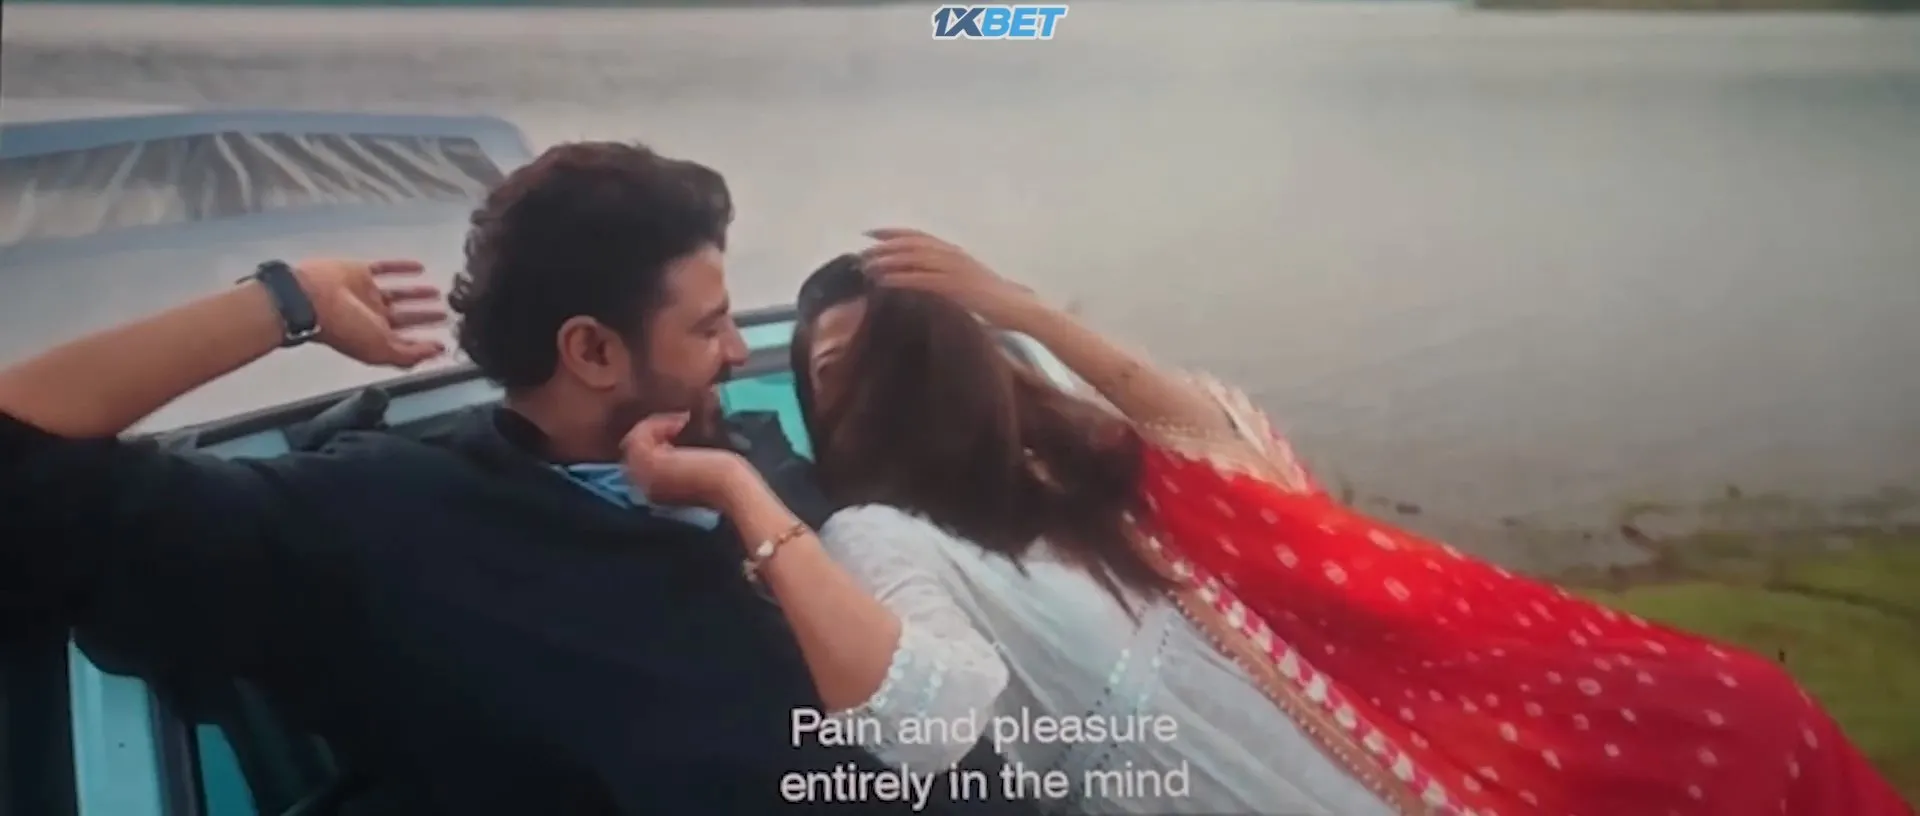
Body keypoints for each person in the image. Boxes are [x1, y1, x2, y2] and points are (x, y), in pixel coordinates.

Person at [0, 144, 1037, 816]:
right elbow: (19, 463)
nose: (735, 354)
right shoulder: (379, 525)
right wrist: (282, 302)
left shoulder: (752, 458)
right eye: (709, 327)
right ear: (592, 351)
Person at [786, 230, 1915, 816]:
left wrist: (1021, 311)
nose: (857, 388)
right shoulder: (880, 538)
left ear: (946, 365)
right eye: (826, 372)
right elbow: (926, 715)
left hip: (1360, 740)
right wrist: (753, 506)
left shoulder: (1068, 471)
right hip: (1226, 786)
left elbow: (1210, 438)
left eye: (879, 355)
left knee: (1750, 718)